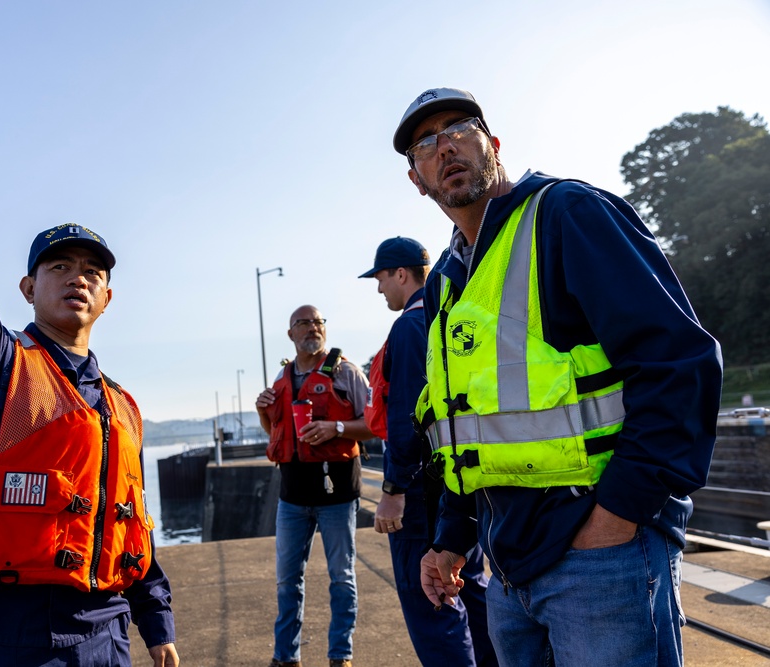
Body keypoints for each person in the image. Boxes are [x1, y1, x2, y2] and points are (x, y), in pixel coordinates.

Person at [393, 88, 723, 666]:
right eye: (425, 143)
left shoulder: (568, 214)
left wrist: (616, 518)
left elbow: (679, 365)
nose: (444, 147)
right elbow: (465, 426)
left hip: (601, 557)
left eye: (458, 128)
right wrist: (452, 538)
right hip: (507, 566)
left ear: (494, 144)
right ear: (417, 180)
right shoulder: (446, 279)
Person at [0, 142, 179, 667]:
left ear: (107, 298)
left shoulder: (123, 408)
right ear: (27, 288)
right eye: (59, 266)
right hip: (2, 639)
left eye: (93, 271)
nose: (78, 277)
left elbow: (130, 520)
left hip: (107, 638)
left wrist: (156, 625)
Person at [359, 237, 496, 667]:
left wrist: (393, 489)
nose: (379, 287)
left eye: (381, 278)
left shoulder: (408, 327)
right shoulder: (450, 317)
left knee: (431, 599)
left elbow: (407, 417)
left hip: (420, 494)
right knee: (471, 589)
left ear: (401, 274)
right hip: (461, 485)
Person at [255, 305, 373, 667]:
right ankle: (286, 657)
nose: (312, 328)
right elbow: (277, 433)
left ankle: (340, 656)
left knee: (342, 577)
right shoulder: (283, 376)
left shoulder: (346, 372)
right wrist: (262, 411)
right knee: (287, 581)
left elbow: (374, 424)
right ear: (290, 333)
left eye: (318, 322)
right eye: (303, 323)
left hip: (337, 492)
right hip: (292, 495)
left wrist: (336, 428)